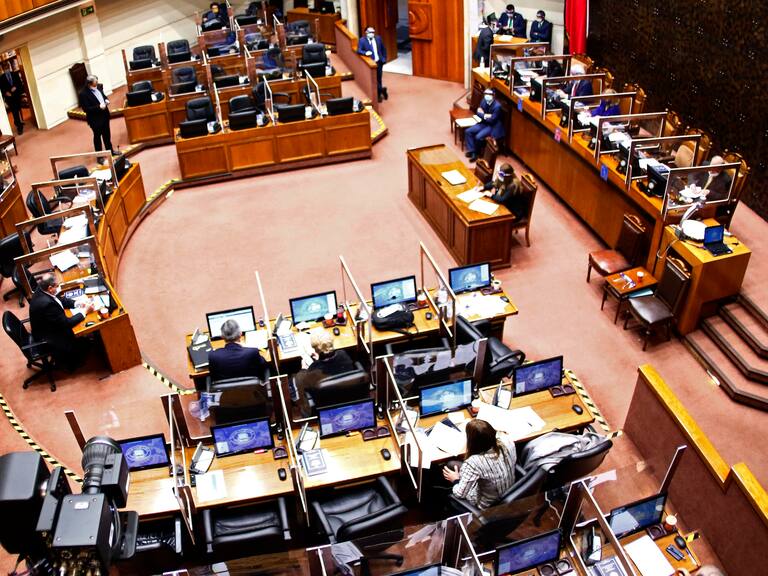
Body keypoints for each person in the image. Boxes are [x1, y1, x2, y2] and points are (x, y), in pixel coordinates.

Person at [442, 420, 517, 509]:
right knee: (454, 464)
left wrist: (455, 480)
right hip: (510, 491)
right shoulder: (507, 442)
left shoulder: (473, 463)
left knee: (450, 465)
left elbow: (460, 494)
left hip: (488, 504)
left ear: (471, 441)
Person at [29, 274, 94, 371]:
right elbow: (66, 323)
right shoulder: (47, 305)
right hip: (49, 337)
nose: (59, 287)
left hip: (45, 327)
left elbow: (58, 299)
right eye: (57, 286)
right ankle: (72, 363)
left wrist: (76, 303)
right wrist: (84, 311)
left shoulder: (41, 289)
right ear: (50, 288)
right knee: (84, 341)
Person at [294, 331, 355, 416]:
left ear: (315, 349)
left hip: (327, 405)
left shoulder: (313, 369)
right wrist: (319, 359)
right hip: (348, 398)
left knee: (298, 377)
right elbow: (330, 366)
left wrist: (303, 369)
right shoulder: (343, 355)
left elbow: (306, 384)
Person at [78, 75, 115, 156]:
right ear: (89, 84)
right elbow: (86, 109)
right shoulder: (83, 94)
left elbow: (103, 96)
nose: (97, 82)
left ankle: (111, 151)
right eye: (95, 81)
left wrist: (106, 99)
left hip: (105, 115)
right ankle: (100, 156)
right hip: (95, 120)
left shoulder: (99, 87)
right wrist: (99, 107)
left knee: (107, 135)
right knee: (97, 137)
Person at [464, 88, 505, 162]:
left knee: (478, 137)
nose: (487, 96)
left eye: (489, 94)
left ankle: (476, 153)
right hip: (484, 123)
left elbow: (492, 120)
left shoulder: (497, 106)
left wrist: (483, 114)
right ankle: (472, 151)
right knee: (468, 131)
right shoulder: (483, 101)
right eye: (486, 94)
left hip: (492, 126)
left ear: (493, 95)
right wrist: (486, 115)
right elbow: (478, 112)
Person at [357, 27, 388, 102]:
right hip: (371, 63)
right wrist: (365, 53)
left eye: (373, 32)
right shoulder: (362, 40)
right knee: (374, 80)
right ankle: (381, 91)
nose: (372, 34)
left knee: (379, 78)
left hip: (379, 62)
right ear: (366, 33)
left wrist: (384, 58)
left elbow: (383, 49)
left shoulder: (378, 38)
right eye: (370, 32)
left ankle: (379, 93)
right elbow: (359, 50)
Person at [0, 62, 24, 135]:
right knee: (14, 112)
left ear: (9, 66)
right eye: (4, 68)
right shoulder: (1, 78)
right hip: (9, 98)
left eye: (7, 67)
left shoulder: (15, 74)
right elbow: (1, 88)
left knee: (17, 109)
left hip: (17, 96)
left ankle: (18, 122)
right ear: (3, 69)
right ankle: (19, 127)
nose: (6, 69)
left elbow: (20, 83)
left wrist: (16, 87)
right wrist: (5, 93)